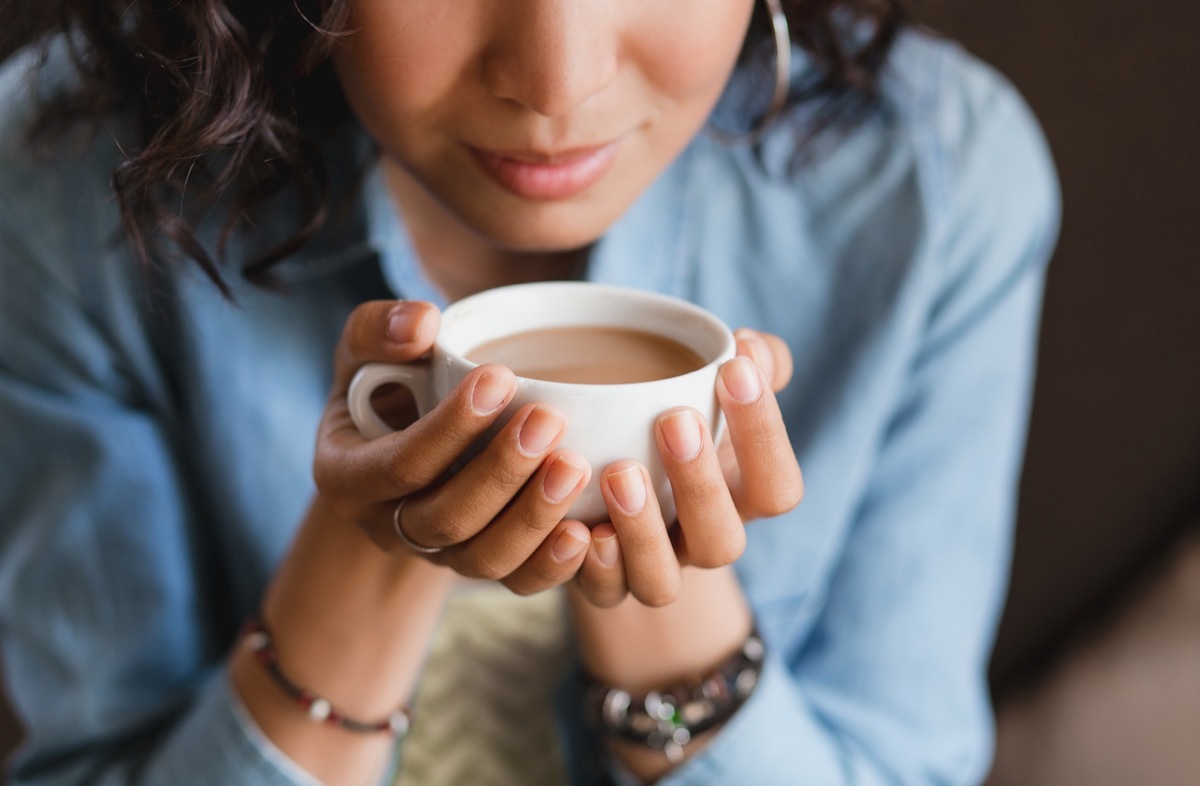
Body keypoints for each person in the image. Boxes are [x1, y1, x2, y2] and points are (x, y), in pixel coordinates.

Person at [0, 0, 1059, 784]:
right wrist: (367, 545)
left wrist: (671, 582)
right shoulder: (67, 184)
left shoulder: (935, 189)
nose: (559, 82)